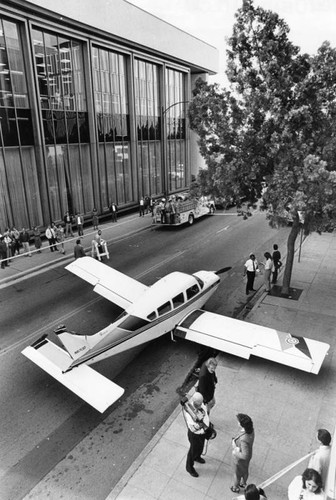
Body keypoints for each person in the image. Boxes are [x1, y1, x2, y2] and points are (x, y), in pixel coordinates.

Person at [182, 392, 209, 478]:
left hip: (202, 433)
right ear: (194, 402)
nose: (200, 405)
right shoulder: (189, 413)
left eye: (201, 403)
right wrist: (199, 425)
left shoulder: (202, 406)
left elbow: (205, 414)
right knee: (193, 450)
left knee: (200, 447)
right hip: (195, 434)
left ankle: (197, 457)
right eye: (198, 404)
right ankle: (189, 467)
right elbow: (193, 428)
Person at [231, 413, 255, 494]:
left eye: (238, 421)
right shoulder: (251, 431)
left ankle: (235, 487)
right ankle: (243, 483)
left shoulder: (243, 439)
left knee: (237, 474)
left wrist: (235, 451)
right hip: (248, 456)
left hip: (240, 459)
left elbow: (244, 455)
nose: (237, 422)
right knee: (245, 470)